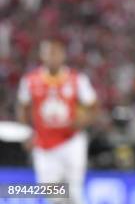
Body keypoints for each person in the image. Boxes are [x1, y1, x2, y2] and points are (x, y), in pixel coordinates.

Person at [16, 39, 98, 204]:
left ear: (62, 55)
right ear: (41, 55)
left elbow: (93, 107)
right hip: (44, 144)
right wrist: (27, 133)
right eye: (48, 52)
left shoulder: (77, 79)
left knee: (74, 189)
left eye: (55, 52)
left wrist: (82, 121)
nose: (52, 57)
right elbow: (23, 107)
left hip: (71, 141)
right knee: (54, 194)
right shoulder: (30, 80)